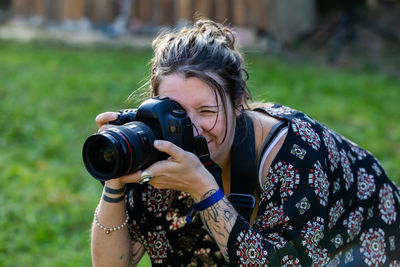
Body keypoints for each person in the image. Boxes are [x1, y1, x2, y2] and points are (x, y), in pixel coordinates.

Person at [91, 19, 400, 266]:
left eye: (206, 111)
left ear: (238, 103)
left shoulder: (295, 152)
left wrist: (202, 188)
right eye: (174, 111)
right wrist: (116, 179)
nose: (192, 128)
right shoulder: (160, 143)